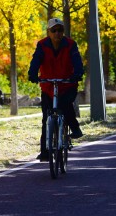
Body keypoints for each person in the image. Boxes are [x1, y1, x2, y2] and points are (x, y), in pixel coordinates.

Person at [28, 17, 85, 161]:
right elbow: (36, 61)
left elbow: (77, 61)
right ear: (49, 32)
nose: (57, 33)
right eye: (54, 30)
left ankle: (75, 129)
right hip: (48, 86)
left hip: (67, 85)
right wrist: (32, 74)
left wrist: (77, 74)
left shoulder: (71, 45)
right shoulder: (42, 45)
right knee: (46, 118)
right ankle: (45, 151)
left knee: (65, 105)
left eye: (60, 30)